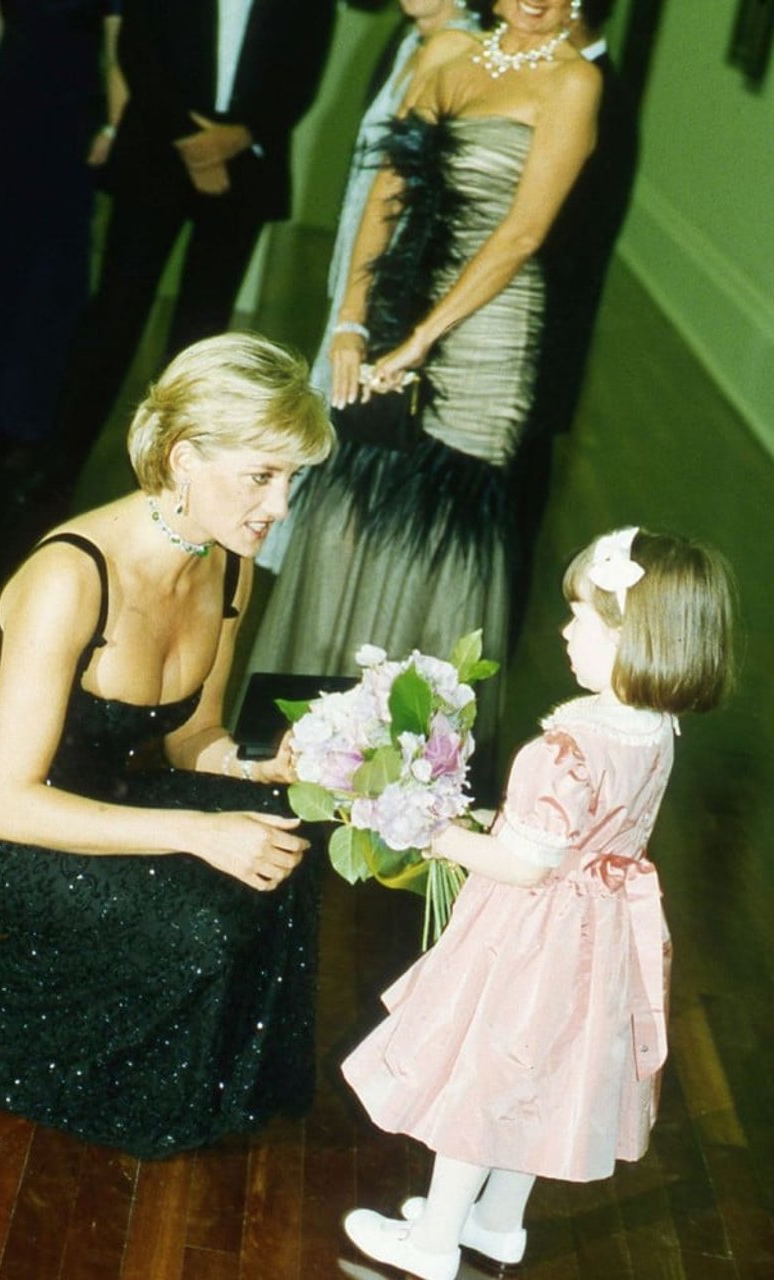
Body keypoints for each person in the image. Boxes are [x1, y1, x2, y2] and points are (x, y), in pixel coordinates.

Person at [0, 333, 335, 1157]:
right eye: (261, 476)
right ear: (183, 458)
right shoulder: (73, 576)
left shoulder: (228, 563)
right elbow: (9, 804)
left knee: (282, 831)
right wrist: (199, 832)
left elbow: (191, 738)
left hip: (95, 792)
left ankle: (218, 1078)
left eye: (292, 479)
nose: (280, 507)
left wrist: (255, 767)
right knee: (197, 920)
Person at [339, 526, 737, 1280]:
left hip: (531, 937)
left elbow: (523, 865)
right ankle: (496, 1222)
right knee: (538, 1078)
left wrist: (436, 833)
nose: (565, 629)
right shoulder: (656, 730)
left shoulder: (567, 747)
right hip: (601, 933)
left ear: (630, 636)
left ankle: (430, 1247)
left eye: (582, 616)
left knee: (484, 1078)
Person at [247, 0, 602, 790]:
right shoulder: (446, 54)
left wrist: (422, 338)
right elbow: (386, 190)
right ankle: (310, 743)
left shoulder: (574, 81)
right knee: (349, 507)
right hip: (397, 305)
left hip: (488, 331)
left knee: (444, 533)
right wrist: (350, 320)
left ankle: (411, 775)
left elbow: (522, 234)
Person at [52, 0, 336, 477]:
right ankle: (58, 463)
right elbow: (137, 49)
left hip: (243, 168)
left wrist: (234, 139)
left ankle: (168, 475)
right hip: (156, 157)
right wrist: (192, 145)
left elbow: (301, 78)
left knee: (203, 331)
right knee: (115, 313)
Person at [257, 0, 482, 575]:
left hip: (391, 288)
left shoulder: (455, 47)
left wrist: (360, 314)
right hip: (362, 275)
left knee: (357, 437)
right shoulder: (410, 39)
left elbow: (415, 194)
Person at [0, 0, 125, 443]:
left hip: (67, 123)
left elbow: (117, 52)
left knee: (51, 271)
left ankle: (24, 413)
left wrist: (114, 127)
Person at [510, 0, 640, 640]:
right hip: (513, 333)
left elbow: (567, 244)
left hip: (533, 340)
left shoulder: (599, 95)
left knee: (512, 507)